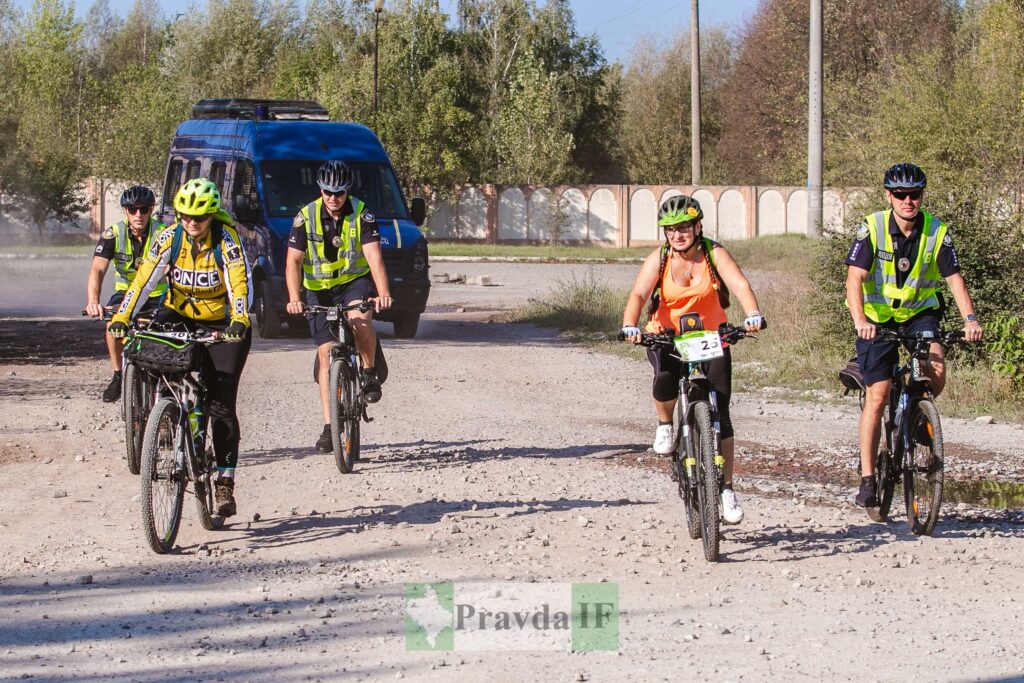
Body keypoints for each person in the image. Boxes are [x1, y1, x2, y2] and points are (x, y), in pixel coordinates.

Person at [109, 178, 252, 518]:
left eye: (198, 218)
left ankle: (224, 482)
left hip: (223, 324)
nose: (191, 223)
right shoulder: (169, 238)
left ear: (211, 215)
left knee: (220, 404)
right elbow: (144, 279)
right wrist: (122, 315)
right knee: (151, 348)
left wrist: (239, 321)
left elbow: (238, 282)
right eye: (185, 216)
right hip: (180, 314)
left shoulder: (226, 241)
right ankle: (164, 413)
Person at [621, 195, 766, 524]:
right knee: (665, 380)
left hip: (711, 337)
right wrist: (630, 325)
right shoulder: (659, 259)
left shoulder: (714, 253)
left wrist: (753, 313)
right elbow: (639, 295)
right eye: (671, 230)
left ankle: (727, 489)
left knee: (722, 416)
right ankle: (664, 425)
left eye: (684, 227)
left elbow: (740, 285)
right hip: (667, 336)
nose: (678, 234)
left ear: (697, 226)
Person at [845, 163, 983, 507]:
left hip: (920, 313)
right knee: (877, 396)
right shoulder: (873, 227)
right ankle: (867, 477)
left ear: (922, 195)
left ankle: (919, 412)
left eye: (915, 194)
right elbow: (854, 279)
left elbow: (954, 279)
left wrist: (970, 319)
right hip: (878, 319)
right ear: (888, 195)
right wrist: (860, 319)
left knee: (935, 368)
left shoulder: (937, 231)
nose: (908, 201)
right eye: (901, 194)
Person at [284, 160, 393, 452]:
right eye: (328, 192)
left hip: (352, 284)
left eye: (340, 192)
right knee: (325, 352)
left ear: (347, 190)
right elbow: (293, 262)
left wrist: (383, 292)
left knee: (361, 321)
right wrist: (294, 298)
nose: (334, 198)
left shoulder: (362, 214)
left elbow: (374, 258)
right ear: (321, 190)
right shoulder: (304, 217)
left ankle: (369, 372)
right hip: (318, 290)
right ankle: (330, 425)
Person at [84, 186, 168, 402]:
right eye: (132, 209)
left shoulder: (164, 233)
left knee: (170, 330)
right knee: (113, 326)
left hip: (157, 294)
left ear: (152, 210)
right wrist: (93, 301)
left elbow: (173, 267)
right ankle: (117, 374)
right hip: (125, 293)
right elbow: (97, 270)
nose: (138, 215)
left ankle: (168, 381)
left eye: (144, 210)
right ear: (125, 211)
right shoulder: (113, 234)